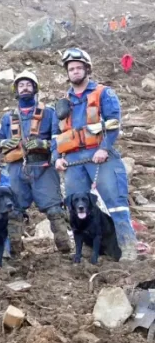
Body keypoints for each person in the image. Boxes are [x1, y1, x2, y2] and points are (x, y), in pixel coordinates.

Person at [54, 48, 138, 260]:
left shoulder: (103, 93)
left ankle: (128, 247)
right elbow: (59, 133)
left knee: (116, 203)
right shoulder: (64, 100)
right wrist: (58, 158)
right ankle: (87, 249)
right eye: (71, 69)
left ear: (87, 69)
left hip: (101, 155)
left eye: (78, 67)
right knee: (77, 208)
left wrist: (104, 148)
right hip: (73, 161)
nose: (74, 71)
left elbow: (114, 123)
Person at [0, 71, 71, 255]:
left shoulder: (49, 112)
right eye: (21, 85)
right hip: (16, 169)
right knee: (13, 211)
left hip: (43, 167)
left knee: (54, 210)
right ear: (16, 90)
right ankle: (14, 253)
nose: (25, 88)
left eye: (28, 84)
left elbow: (59, 139)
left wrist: (43, 144)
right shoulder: (8, 118)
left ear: (35, 88)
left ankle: (66, 250)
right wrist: (5, 143)